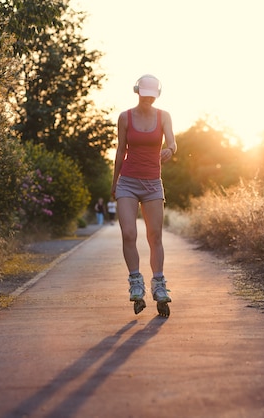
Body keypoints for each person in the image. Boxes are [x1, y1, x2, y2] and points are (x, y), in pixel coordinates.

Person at [111, 74, 177, 317]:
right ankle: (135, 282)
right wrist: (114, 182)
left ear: (156, 95)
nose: (148, 99)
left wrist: (170, 149)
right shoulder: (125, 117)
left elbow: (172, 141)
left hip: (152, 184)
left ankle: (159, 285)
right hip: (127, 182)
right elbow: (120, 150)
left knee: (154, 235)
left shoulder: (164, 116)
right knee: (129, 233)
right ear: (137, 91)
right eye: (145, 95)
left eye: (152, 95)